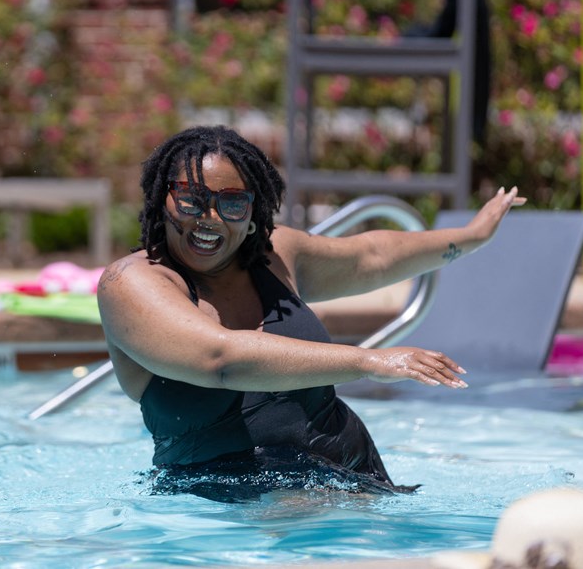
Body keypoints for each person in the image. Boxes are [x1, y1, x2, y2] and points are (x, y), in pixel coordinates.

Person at [97, 125, 525, 501]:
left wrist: (471, 237)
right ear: (161, 201)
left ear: (252, 214)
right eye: (190, 200)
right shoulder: (131, 285)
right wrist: (367, 361)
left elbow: (372, 255)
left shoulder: (276, 255)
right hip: (218, 502)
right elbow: (220, 360)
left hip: (351, 477)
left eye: (231, 203)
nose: (209, 218)